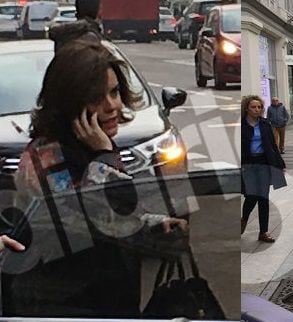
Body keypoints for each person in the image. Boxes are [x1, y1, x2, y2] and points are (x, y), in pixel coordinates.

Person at [9, 40, 187, 317]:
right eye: (96, 98)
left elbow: (120, 215)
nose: (111, 106)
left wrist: (156, 225)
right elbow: (91, 222)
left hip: (109, 300)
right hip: (62, 305)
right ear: (69, 102)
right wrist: (104, 155)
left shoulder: (90, 148)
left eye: (115, 92)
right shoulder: (44, 158)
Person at [241, 95, 286, 242]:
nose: (257, 109)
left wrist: (280, 164)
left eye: (259, 107)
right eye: (253, 107)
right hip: (248, 164)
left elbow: (273, 146)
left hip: (263, 163)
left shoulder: (265, 125)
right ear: (247, 108)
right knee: (251, 196)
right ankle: (244, 218)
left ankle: (263, 232)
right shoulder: (241, 125)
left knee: (264, 198)